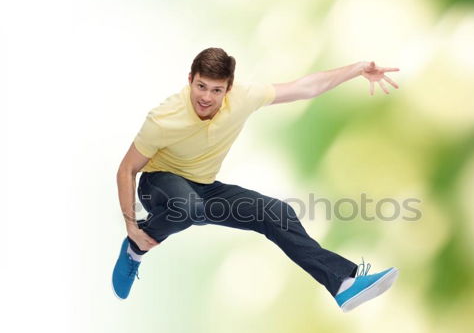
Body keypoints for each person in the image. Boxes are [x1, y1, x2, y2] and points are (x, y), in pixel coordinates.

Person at [112, 47, 400, 312]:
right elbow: (126, 170)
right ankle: (135, 247)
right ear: (190, 79)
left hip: (204, 188)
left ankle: (342, 284)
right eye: (200, 86)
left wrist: (359, 68)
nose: (206, 97)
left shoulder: (243, 97)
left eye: (216, 90)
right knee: (187, 206)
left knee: (278, 214)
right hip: (159, 183)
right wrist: (132, 226)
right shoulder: (164, 118)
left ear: (229, 88)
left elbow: (305, 88)